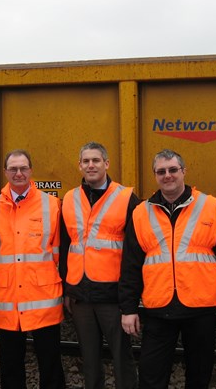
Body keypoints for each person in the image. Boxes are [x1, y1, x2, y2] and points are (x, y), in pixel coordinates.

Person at [119, 148, 216, 389]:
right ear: (155, 176)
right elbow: (130, 265)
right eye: (161, 171)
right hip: (159, 307)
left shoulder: (210, 206)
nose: (167, 175)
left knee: (199, 375)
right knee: (151, 375)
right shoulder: (141, 213)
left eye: (173, 170)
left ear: (183, 171)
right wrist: (128, 308)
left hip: (200, 307)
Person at [0, 149, 65, 389]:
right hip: (8, 299)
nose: (18, 173)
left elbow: (59, 251)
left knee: (50, 363)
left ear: (31, 170)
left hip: (44, 299)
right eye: (13, 169)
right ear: (5, 172)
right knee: (10, 365)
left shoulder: (52, 204)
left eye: (23, 168)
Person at [59, 142, 138, 389]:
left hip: (112, 296)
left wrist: (129, 301)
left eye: (96, 160)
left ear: (106, 164)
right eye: (86, 161)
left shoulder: (126, 198)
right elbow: (64, 247)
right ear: (80, 165)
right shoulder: (70, 198)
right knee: (89, 359)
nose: (90, 165)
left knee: (121, 356)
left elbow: (135, 254)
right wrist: (66, 290)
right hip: (81, 295)